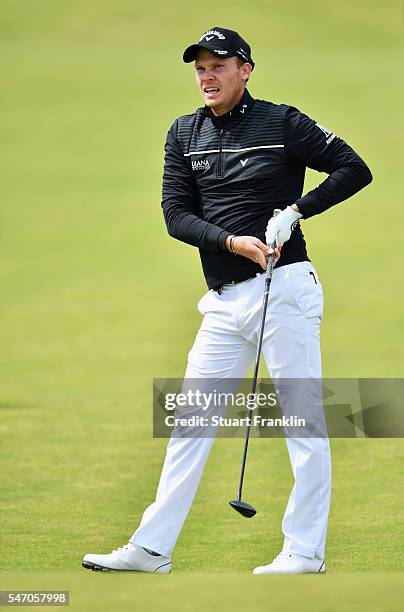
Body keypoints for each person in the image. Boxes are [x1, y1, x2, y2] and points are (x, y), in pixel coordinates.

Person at [82, 27, 372, 574]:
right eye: (200, 68)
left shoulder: (282, 122)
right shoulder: (183, 133)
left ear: (246, 70)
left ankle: (305, 551)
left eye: (219, 65)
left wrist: (298, 210)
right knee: (190, 422)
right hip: (222, 301)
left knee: (302, 422)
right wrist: (230, 242)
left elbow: (355, 168)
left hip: (283, 291)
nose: (207, 76)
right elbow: (175, 216)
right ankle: (151, 548)